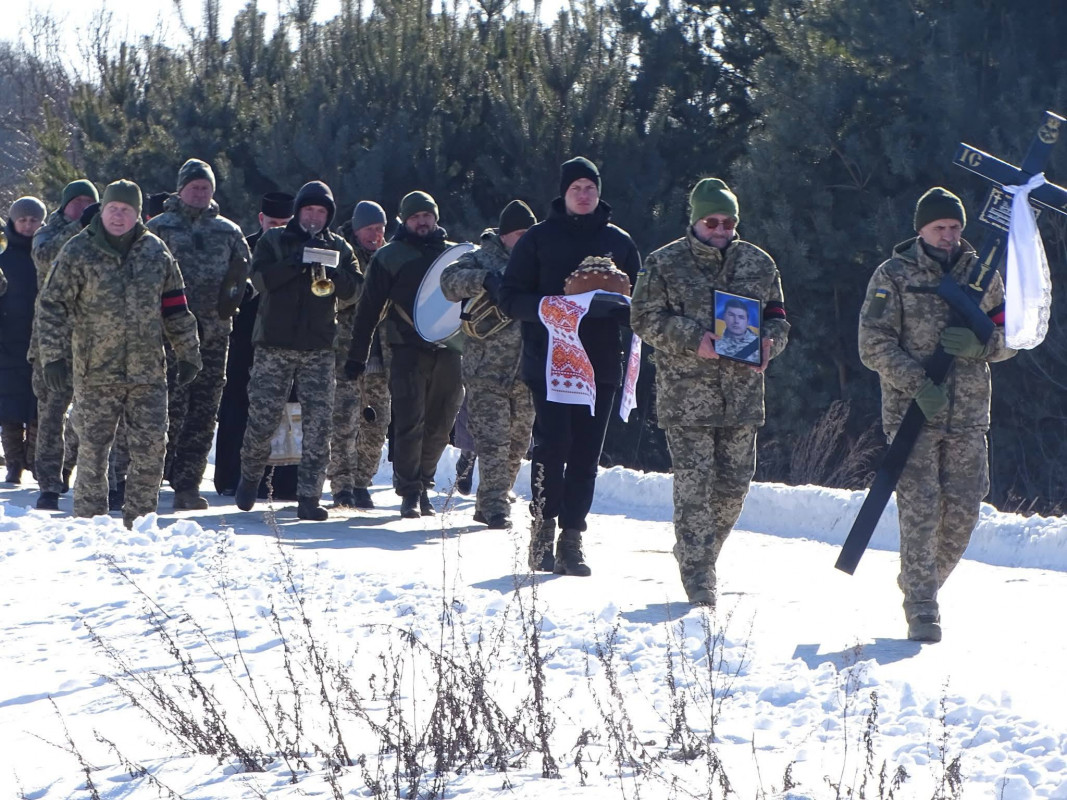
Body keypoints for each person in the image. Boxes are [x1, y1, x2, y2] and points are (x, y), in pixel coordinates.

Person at [858, 186, 1015, 643]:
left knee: (964, 511)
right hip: (914, 413)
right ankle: (922, 607)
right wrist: (917, 384)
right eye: (939, 227)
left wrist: (984, 345)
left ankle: (918, 581)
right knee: (921, 509)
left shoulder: (983, 274)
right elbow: (873, 344)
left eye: (955, 227)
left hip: (968, 414)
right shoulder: (895, 275)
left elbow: (1008, 335)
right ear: (921, 230)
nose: (949, 236)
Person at [631, 178, 789, 606]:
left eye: (728, 222)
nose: (720, 229)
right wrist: (692, 338)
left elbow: (777, 317)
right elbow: (643, 318)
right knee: (694, 486)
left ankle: (699, 550)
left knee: (734, 487)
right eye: (712, 221)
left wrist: (771, 343)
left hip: (741, 397)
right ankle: (699, 575)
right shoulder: (664, 263)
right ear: (696, 221)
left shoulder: (759, 263)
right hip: (687, 398)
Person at [499, 157, 640, 576]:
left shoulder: (620, 242)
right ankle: (541, 534)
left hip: (601, 365)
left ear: (599, 192)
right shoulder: (538, 240)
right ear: (564, 192)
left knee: (585, 454)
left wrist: (616, 309)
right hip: (550, 362)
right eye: (577, 187)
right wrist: (555, 308)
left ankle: (572, 540)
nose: (584, 194)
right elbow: (509, 299)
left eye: (591, 187)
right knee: (552, 447)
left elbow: (641, 303)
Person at [35, 180, 202, 528]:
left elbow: (175, 307)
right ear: (103, 210)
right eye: (113, 209)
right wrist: (52, 356)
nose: (118, 216)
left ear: (138, 215)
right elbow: (52, 306)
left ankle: (140, 523)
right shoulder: (77, 251)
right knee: (93, 451)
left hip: (147, 373)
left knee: (151, 447)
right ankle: (90, 524)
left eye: (126, 211)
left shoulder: (156, 252)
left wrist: (188, 351)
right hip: (95, 371)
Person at [235, 181, 360, 520]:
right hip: (274, 346)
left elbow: (354, 293)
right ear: (298, 212)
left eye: (321, 212)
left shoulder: (340, 247)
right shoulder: (274, 240)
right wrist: (295, 261)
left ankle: (309, 497)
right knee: (263, 419)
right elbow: (258, 281)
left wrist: (334, 271)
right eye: (309, 210)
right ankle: (249, 477)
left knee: (320, 425)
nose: (314, 218)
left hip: (318, 348)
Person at [344, 191, 464, 519]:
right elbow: (368, 309)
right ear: (405, 221)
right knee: (410, 421)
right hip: (406, 347)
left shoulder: (455, 256)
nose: (422, 222)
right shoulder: (390, 257)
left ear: (435, 218)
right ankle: (409, 491)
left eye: (427, 215)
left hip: (450, 349)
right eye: (415, 217)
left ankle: (425, 482)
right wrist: (357, 356)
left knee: (441, 423)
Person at [147, 158, 252, 509]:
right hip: (169, 335)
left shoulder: (229, 231)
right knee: (168, 409)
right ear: (180, 189)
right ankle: (152, 477)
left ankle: (187, 484)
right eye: (194, 187)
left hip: (214, 335)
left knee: (204, 411)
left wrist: (235, 296)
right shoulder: (159, 228)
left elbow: (243, 276)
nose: (200, 193)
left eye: (206, 188)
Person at [441, 199, 537, 529]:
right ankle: (496, 507)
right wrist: (484, 279)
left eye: (530, 233)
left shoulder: (538, 262)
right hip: (486, 371)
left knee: (518, 442)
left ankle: (488, 501)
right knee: (493, 440)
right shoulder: (481, 257)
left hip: (526, 371)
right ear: (505, 235)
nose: (526, 240)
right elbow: (448, 281)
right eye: (520, 234)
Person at [213, 191, 299, 501]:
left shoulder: (300, 248)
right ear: (261, 220)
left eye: (285, 223)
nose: (278, 228)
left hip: (285, 342)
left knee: (288, 413)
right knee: (237, 410)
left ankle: (284, 483)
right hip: (245, 341)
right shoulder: (243, 248)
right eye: (273, 222)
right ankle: (231, 478)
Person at [31, 180, 99, 508]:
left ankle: (68, 468)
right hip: (52, 341)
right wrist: (78, 226)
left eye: (90, 202)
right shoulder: (49, 231)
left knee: (88, 415)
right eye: (78, 201)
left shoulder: (102, 233)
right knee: (51, 415)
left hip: (92, 341)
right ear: (65, 204)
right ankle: (48, 484)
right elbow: (44, 258)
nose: (84, 207)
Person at [332, 200, 392, 509]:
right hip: (346, 355)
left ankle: (362, 482)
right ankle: (342, 485)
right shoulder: (342, 255)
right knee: (344, 423)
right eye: (370, 228)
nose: (376, 234)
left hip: (381, 360)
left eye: (380, 229)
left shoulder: (389, 258)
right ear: (357, 230)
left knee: (376, 425)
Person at [0, 196, 47, 484]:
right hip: (9, 342)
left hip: (44, 341)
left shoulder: (50, 257)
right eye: (23, 220)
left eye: (34, 220)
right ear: (13, 223)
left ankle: (36, 461)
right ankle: (14, 463)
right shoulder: (3, 261)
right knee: (10, 409)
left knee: (41, 407)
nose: (28, 226)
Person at [716, 298, 760, 362]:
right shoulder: (715, 344)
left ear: (747, 321)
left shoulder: (759, 345)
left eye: (741, 317)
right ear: (724, 316)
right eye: (731, 315)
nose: (736, 321)